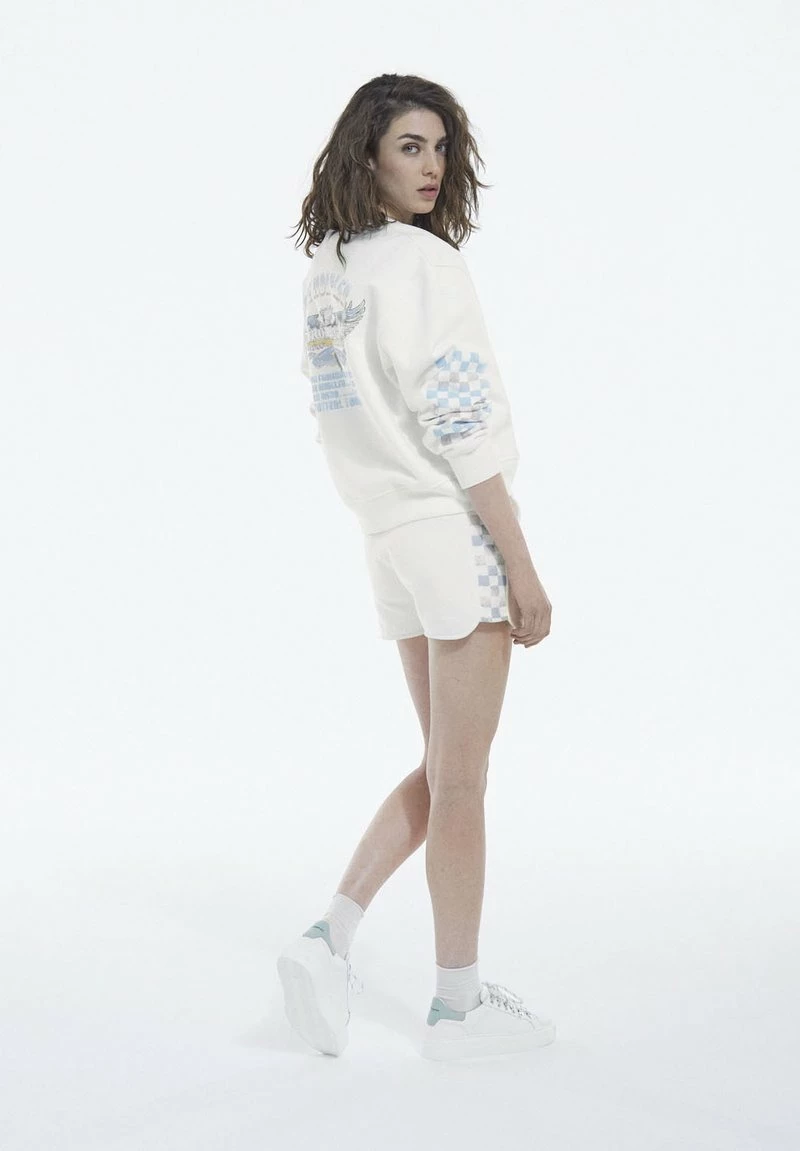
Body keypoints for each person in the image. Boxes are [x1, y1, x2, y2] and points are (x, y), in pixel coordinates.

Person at [276, 73, 554, 1061]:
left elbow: (336, 418)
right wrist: (519, 562)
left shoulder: (329, 270)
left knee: (444, 767)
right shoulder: (424, 265)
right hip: (449, 529)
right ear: (367, 154)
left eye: (440, 147)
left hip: (386, 539)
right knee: (464, 780)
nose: (431, 166)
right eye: (409, 146)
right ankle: (457, 1005)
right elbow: (460, 417)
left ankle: (329, 937)